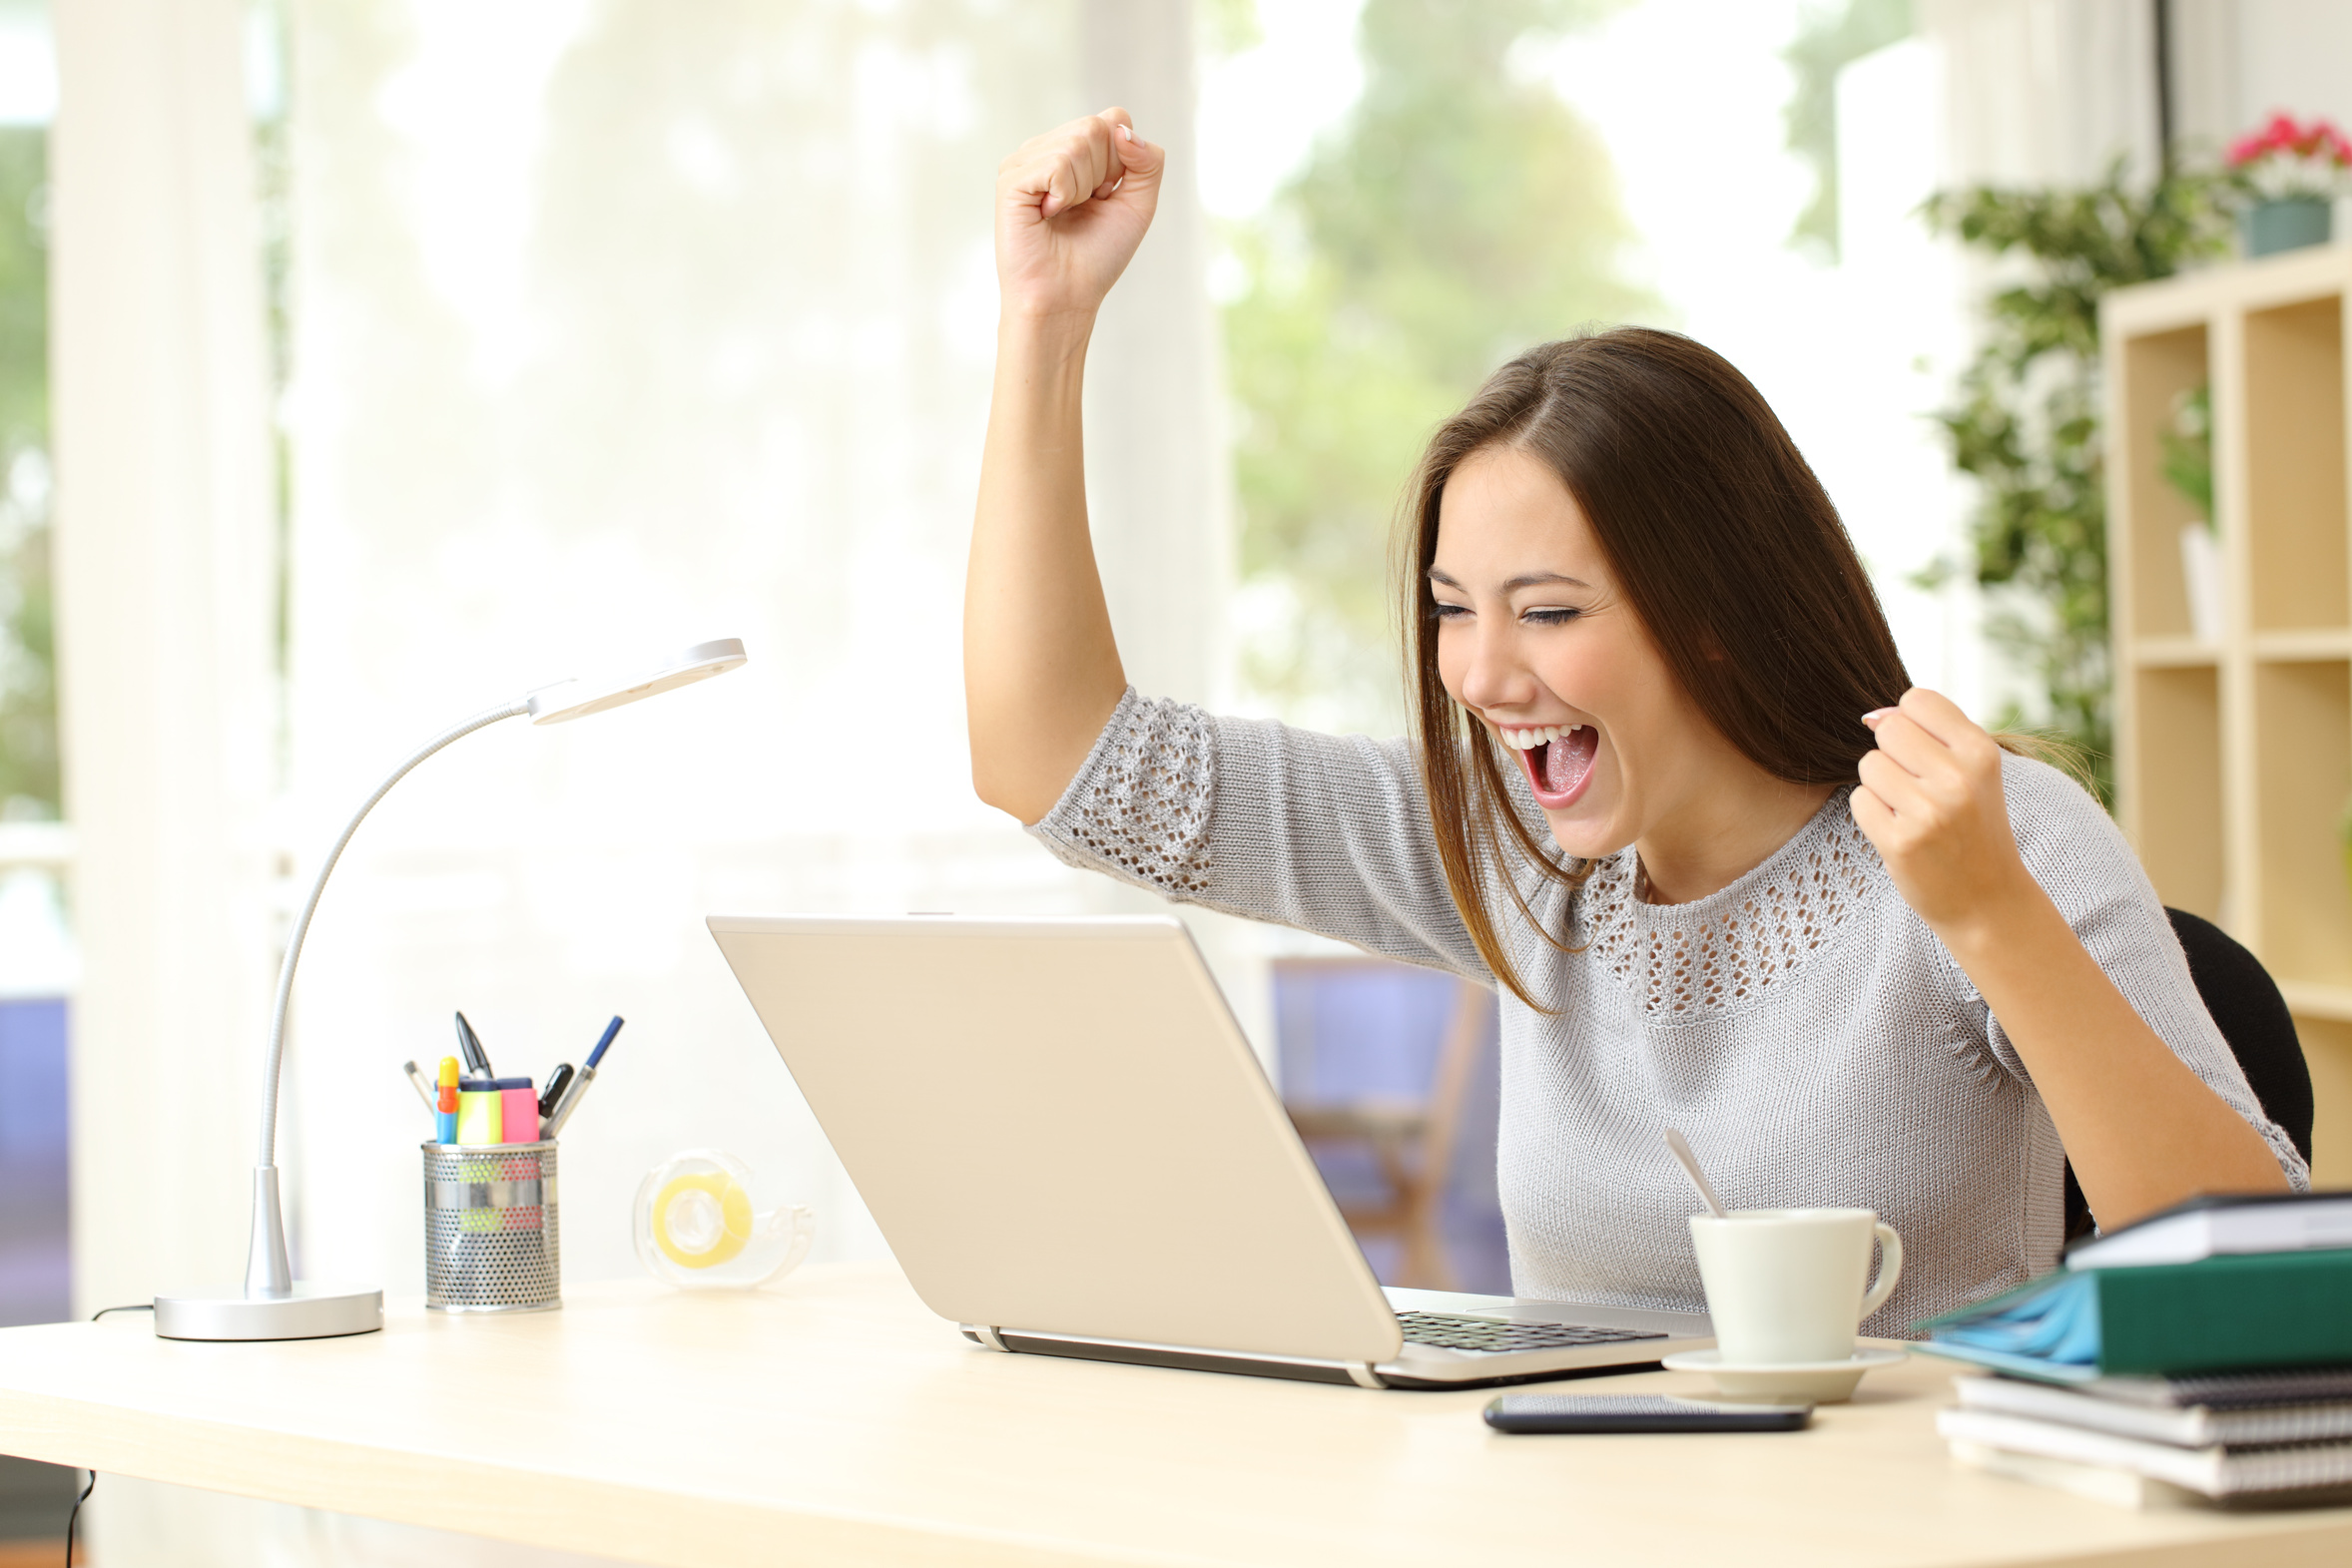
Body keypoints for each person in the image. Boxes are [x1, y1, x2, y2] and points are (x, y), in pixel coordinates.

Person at [963, 110, 2303, 1331]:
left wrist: (1990, 915)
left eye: (1547, 612)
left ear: (1716, 610)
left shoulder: (1987, 843)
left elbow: (2259, 1279)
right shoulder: (1513, 854)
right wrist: (1046, 318)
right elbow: (1058, 764)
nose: (1482, 676)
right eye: (1451, 609)